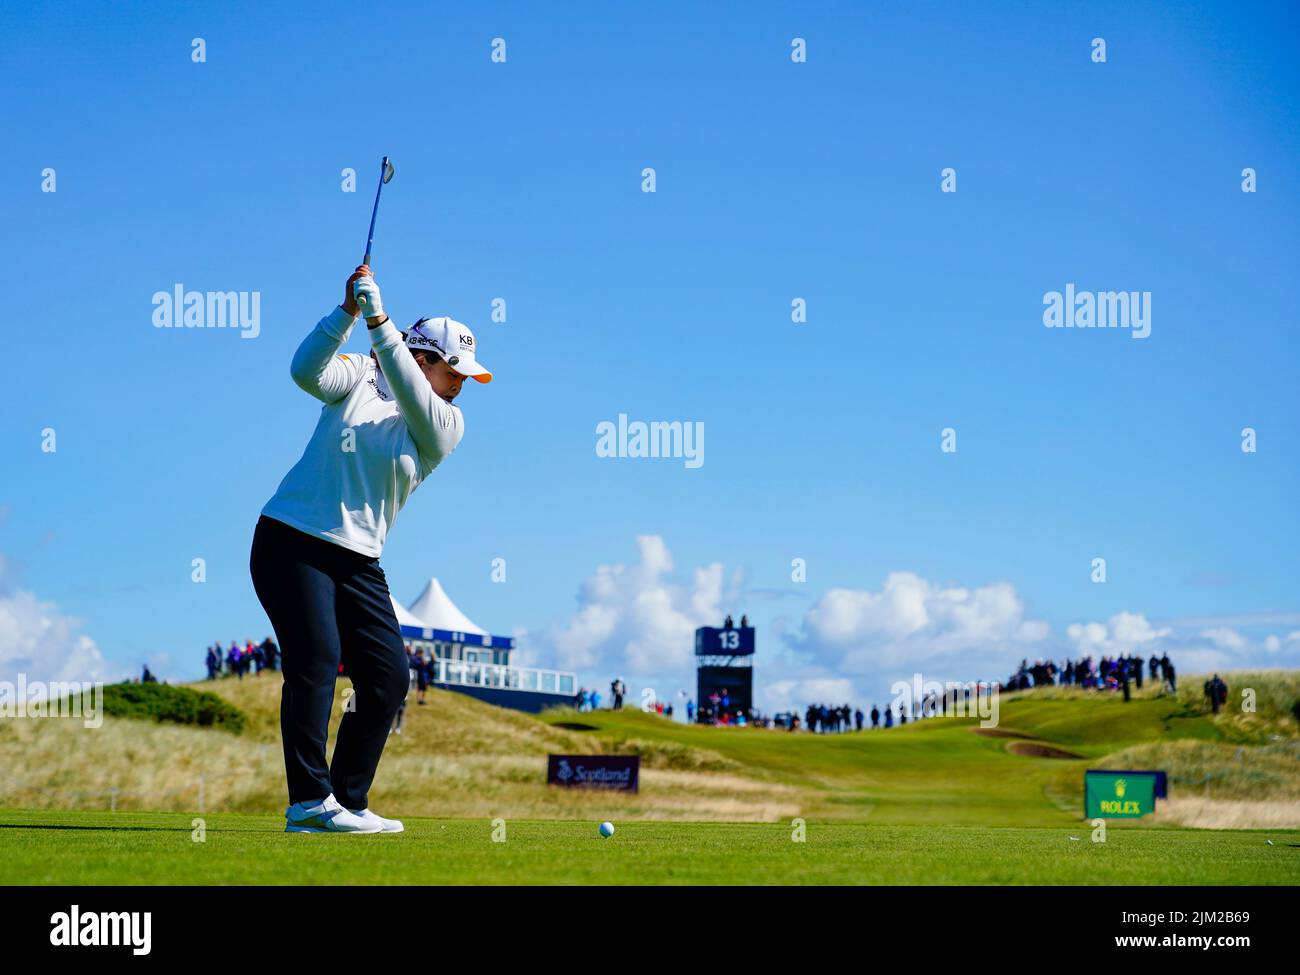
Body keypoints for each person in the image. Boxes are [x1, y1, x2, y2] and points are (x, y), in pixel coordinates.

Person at [249, 265, 492, 835]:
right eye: (451, 370)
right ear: (422, 357)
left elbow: (409, 390)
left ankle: (348, 802)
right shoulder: (359, 373)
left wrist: (380, 322)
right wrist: (347, 316)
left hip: (359, 560)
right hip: (291, 538)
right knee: (315, 659)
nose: (459, 383)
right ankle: (309, 804)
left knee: (387, 680)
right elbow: (304, 371)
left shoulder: (444, 424)